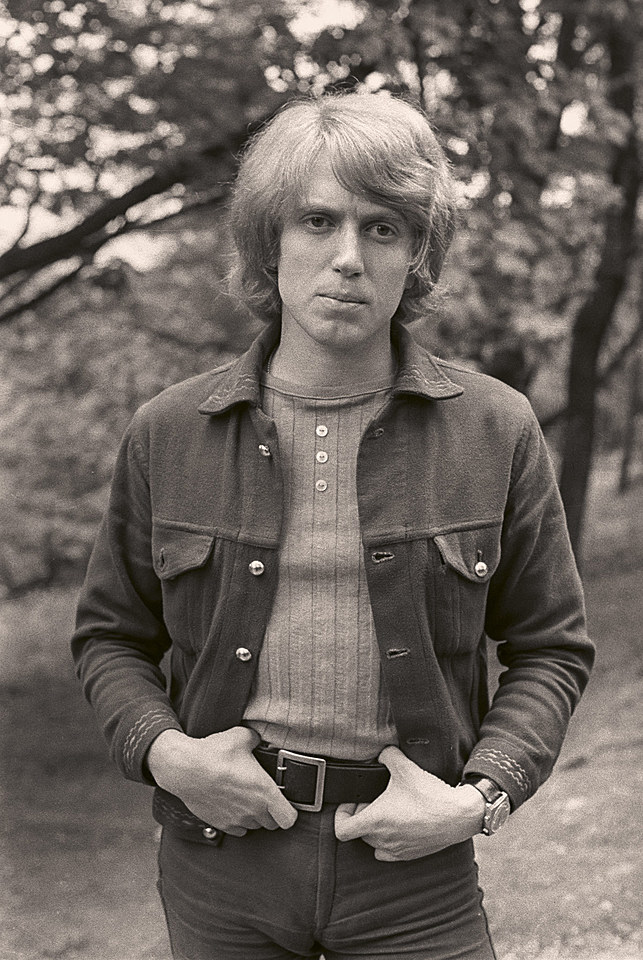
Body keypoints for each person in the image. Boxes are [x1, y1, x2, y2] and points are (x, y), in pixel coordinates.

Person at [72, 92, 594, 960]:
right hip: (219, 865)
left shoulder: (495, 428)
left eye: (382, 228)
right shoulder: (168, 432)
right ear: (269, 241)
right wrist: (166, 755)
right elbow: (109, 636)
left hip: (414, 876)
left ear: (415, 254)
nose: (348, 258)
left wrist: (477, 801)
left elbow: (550, 648)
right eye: (318, 221)